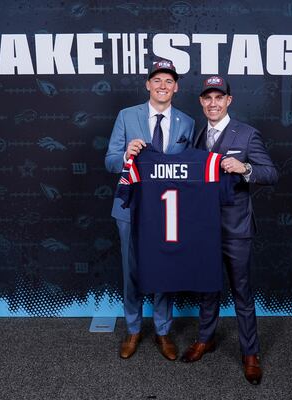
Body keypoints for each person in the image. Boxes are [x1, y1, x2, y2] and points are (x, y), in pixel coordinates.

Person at [181, 76, 278, 384]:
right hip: (205, 229)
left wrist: (245, 168)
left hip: (236, 229)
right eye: (208, 98)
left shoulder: (247, 135)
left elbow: (272, 173)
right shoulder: (197, 137)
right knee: (208, 287)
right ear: (201, 101)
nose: (213, 103)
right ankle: (206, 339)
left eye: (219, 98)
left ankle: (250, 353)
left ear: (229, 101)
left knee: (241, 292)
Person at [105, 59, 195, 361]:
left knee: (165, 269)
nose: (162, 86)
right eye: (157, 80)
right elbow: (110, 160)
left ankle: (162, 329)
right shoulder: (126, 116)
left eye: (169, 81)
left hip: (167, 209)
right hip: (131, 206)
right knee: (131, 270)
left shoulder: (187, 122)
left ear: (176, 87)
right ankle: (132, 328)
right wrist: (125, 155)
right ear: (147, 84)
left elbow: (189, 166)